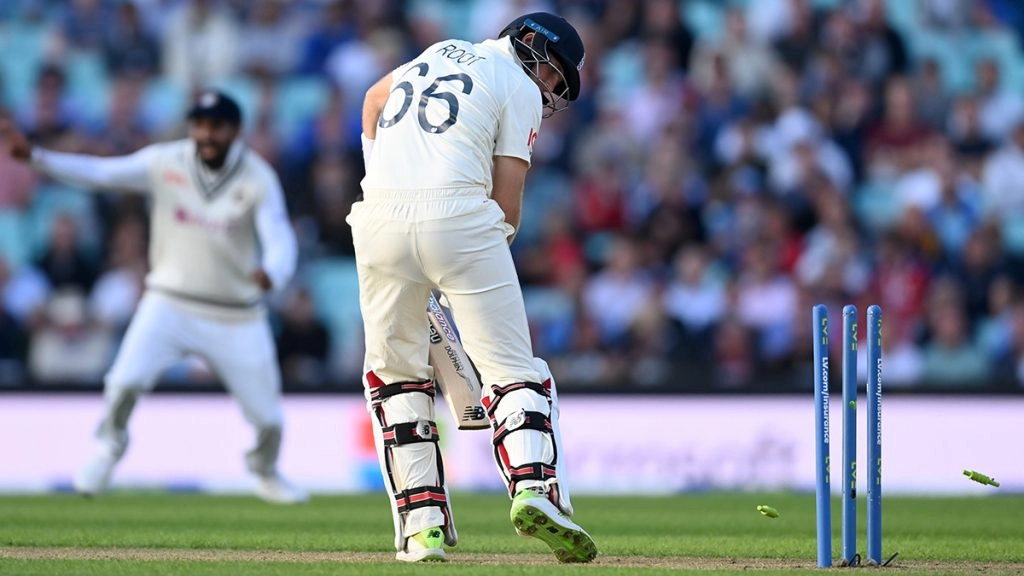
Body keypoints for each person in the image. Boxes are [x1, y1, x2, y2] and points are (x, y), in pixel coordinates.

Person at [350, 12, 596, 563]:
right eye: (554, 72)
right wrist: (462, 269)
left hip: (376, 219)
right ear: (528, 41)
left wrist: (380, 179)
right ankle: (534, 489)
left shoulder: (438, 50)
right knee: (513, 371)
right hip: (459, 219)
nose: (550, 87)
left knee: (396, 378)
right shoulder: (519, 87)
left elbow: (371, 99)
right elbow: (506, 207)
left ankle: (422, 530)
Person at [1, 91, 308, 504]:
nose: (206, 134)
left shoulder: (257, 177)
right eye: (200, 124)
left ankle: (264, 470)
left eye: (216, 125)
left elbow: (279, 236)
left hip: (236, 314)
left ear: (235, 130)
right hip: (169, 302)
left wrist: (274, 272)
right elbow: (101, 173)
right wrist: (37, 158)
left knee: (269, 418)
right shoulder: (166, 161)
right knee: (124, 382)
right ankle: (108, 447)